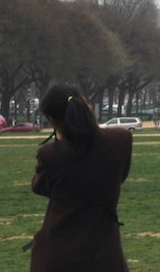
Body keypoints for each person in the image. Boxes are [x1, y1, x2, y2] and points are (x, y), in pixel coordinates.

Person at [29, 85, 132, 271]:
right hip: (106, 253)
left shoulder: (50, 154)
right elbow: (119, 177)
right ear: (85, 103)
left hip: (59, 252)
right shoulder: (121, 140)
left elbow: (40, 186)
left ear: (52, 120)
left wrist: (61, 140)